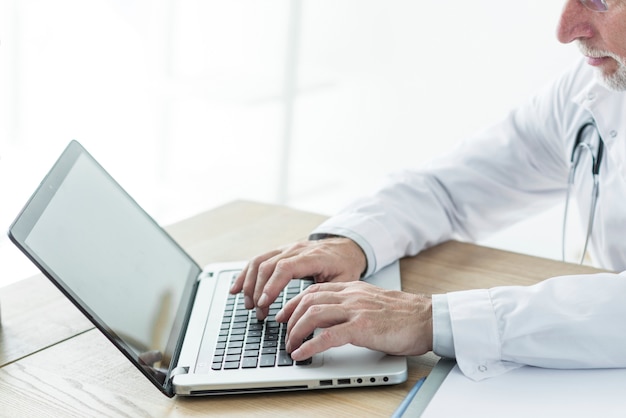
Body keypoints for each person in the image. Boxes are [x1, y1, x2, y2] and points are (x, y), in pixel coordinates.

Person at [230, 0, 626, 381]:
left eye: (599, 0)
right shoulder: (592, 89)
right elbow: (450, 188)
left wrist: (429, 319)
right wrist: (350, 241)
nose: (565, 30)